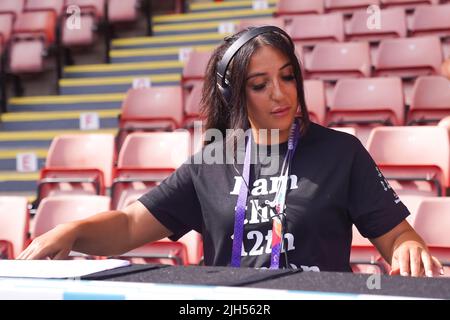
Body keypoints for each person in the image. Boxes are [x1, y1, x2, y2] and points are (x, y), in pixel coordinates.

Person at [19, 26, 444, 277]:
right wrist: (71, 231)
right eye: (260, 85)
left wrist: (407, 245)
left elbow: (395, 235)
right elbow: (130, 224)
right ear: (235, 94)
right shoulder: (212, 160)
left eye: (288, 78)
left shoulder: (342, 153)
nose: (280, 95)